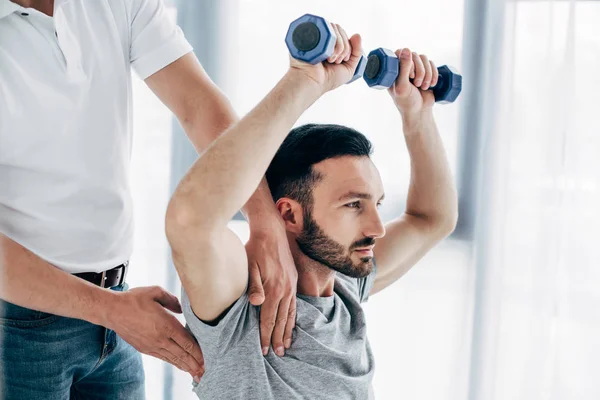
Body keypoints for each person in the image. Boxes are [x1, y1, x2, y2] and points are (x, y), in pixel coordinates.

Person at [0, 0, 298, 398]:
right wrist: (109, 309)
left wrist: (266, 222)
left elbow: (199, 105)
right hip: (16, 330)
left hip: (118, 304)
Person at [165, 24, 459, 399]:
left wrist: (417, 117)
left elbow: (432, 219)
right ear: (288, 214)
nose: (377, 228)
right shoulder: (240, 303)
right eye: (353, 205)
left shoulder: (345, 286)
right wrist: (303, 82)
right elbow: (191, 220)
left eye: (376, 204)